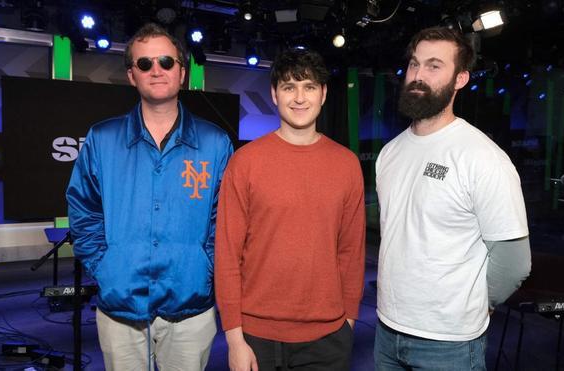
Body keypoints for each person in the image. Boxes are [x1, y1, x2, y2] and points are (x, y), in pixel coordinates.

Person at [66, 23, 233, 371]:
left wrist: (204, 269)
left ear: (182, 72)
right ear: (131, 75)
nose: (156, 70)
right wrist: (107, 267)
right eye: (144, 64)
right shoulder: (102, 139)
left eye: (166, 62)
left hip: (191, 308)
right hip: (120, 307)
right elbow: (84, 211)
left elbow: (227, 220)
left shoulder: (215, 142)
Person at [374, 27, 531, 370]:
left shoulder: (482, 157)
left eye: (433, 66)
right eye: (414, 65)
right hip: (386, 331)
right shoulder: (390, 153)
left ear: (460, 79)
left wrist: (474, 304)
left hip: (450, 345)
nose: (417, 76)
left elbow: (514, 263)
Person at [214, 48, 366, 371]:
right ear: (274, 94)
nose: (299, 97)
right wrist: (234, 339)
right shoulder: (245, 162)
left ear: (323, 94)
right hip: (256, 337)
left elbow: (352, 252)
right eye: (288, 87)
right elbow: (228, 253)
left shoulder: (346, 163)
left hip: (328, 338)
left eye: (309, 86)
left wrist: (348, 322)